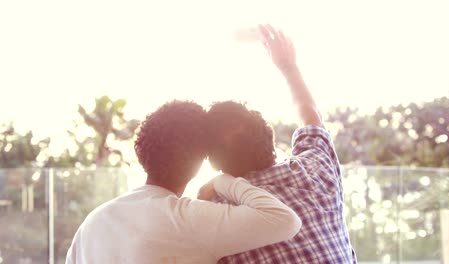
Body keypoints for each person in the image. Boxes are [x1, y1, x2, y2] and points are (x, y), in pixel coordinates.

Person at [65, 100, 301, 264]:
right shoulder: (189, 220)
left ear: (142, 151)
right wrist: (222, 181)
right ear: (199, 162)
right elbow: (284, 219)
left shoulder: (93, 222)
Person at [202, 25, 357, 263]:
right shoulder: (315, 169)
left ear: (212, 159)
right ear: (268, 134)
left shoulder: (214, 215)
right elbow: (310, 114)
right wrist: (288, 67)